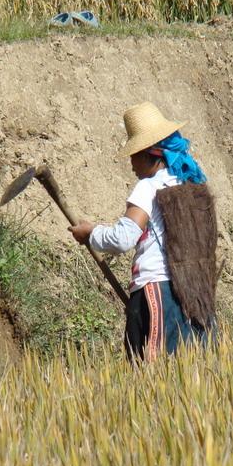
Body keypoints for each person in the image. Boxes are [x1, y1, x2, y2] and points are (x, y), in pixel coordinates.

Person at [69, 101, 217, 361]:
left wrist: (90, 233)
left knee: (150, 375)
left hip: (157, 292)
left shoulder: (149, 188)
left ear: (151, 153)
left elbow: (123, 238)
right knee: (192, 370)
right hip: (195, 293)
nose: (131, 163)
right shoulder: (191, 185)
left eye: (134, 154)